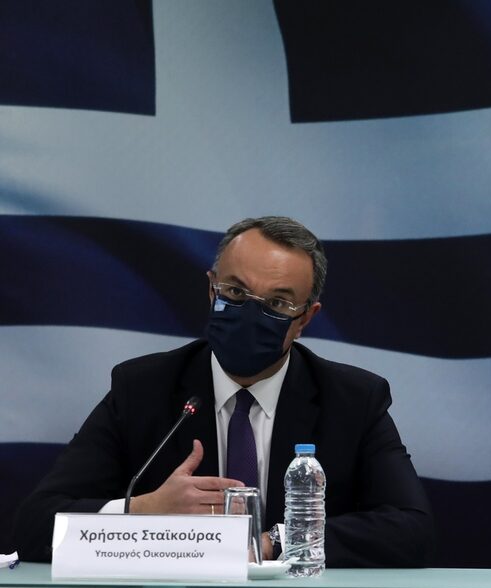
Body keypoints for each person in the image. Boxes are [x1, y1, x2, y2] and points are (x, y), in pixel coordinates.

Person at [14, 217, 434, 567]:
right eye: (234, 292)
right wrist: (143, 511)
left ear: (306, 318)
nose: (250, 313)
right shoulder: (143, 388)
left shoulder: (353, 400)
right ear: (211, 288)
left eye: (277, 304)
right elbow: (35, 525)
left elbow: (412, 530)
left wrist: (275, 542)